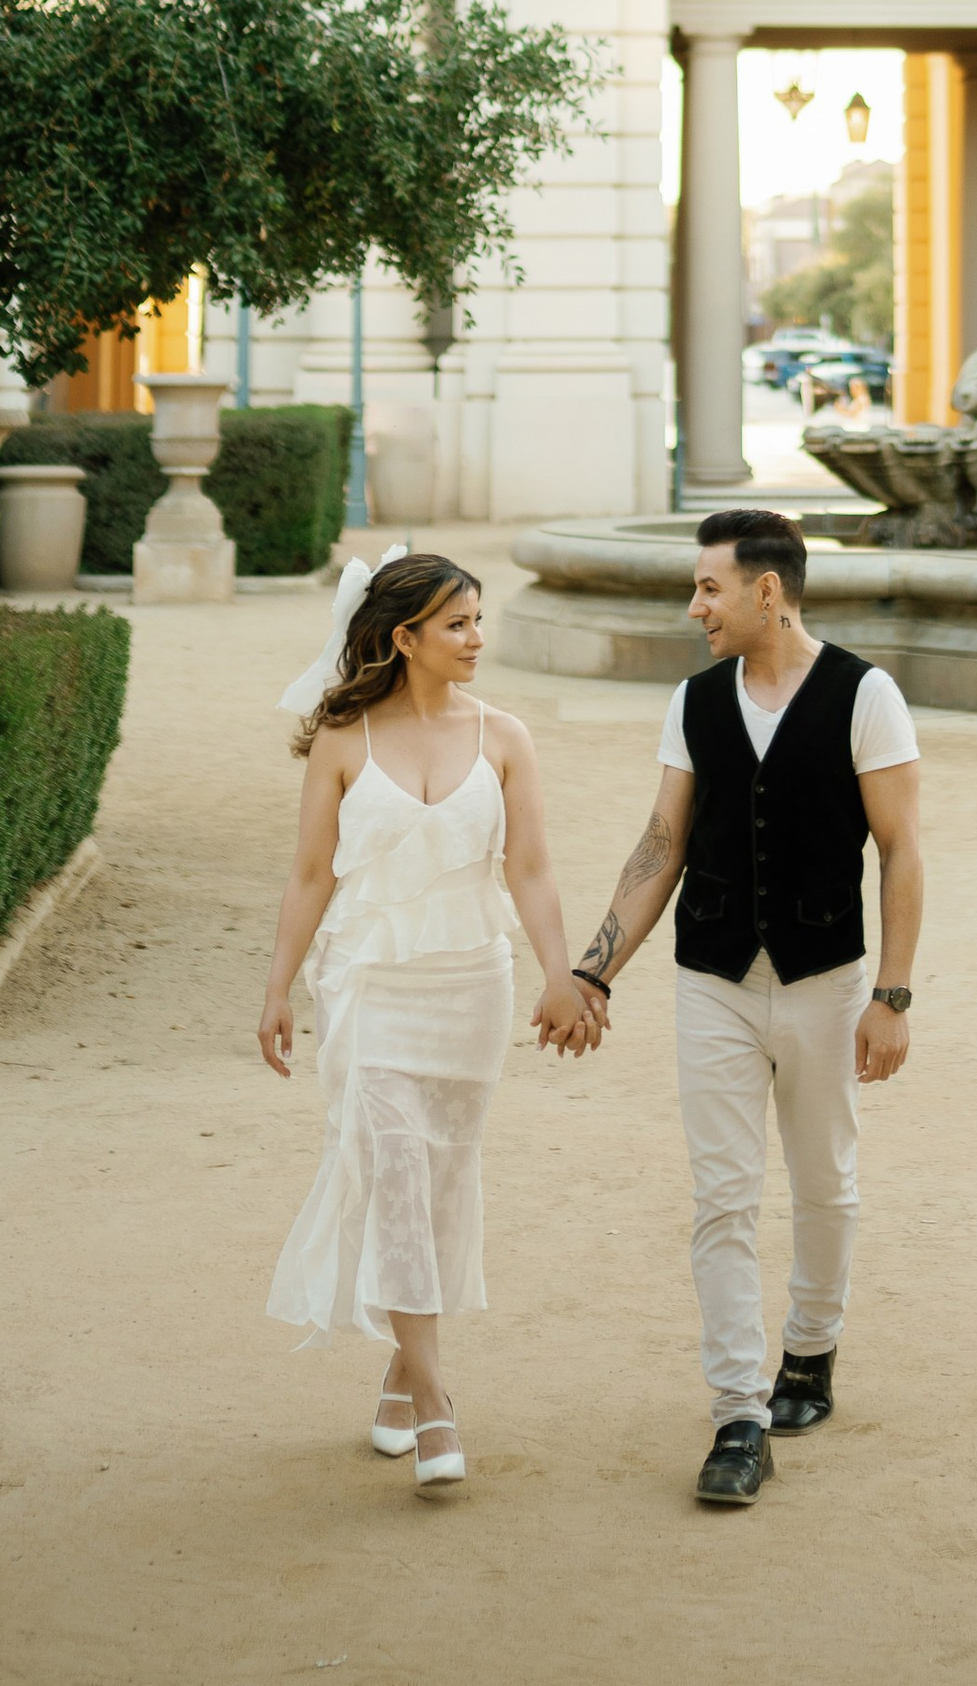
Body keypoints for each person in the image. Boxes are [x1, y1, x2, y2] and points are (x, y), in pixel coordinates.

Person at [566, 506, 924, 1507]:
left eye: (709, 588)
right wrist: (595, 971)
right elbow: (659, 843)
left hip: (823, 979)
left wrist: (890, 996)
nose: (696, 606)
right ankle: (739, 1412)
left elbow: (900, 850)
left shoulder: (866, 695)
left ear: (767, 589)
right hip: (711, 979)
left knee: (822, 1180)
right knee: (722, 1197)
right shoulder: (693, 700)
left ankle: (808, 1352)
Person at [260, 548, 599, 1490]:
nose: (476, 638)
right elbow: (309, 873)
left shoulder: (505, 738)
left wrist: (561, 975)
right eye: (456, 624)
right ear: (404, 637)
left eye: (479, 620)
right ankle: (440, 1399)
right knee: (396, 1171)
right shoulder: (341, 742)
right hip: (370, 984)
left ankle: (402, 1373)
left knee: (445, 1178)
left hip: (471, 987)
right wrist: (279, 986)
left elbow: (529, 868)